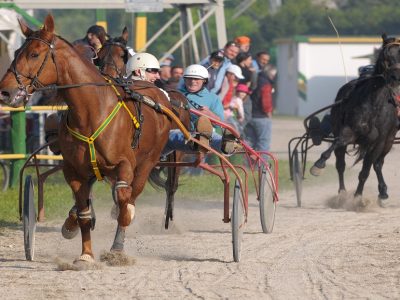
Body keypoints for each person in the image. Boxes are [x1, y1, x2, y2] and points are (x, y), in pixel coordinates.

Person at [162, 64, 239, 155]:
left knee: (213, 137)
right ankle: (201, 140)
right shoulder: (173, 94)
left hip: (205, 134)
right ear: (185, 79)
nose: (192, 81)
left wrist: (210, 115)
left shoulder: (213, 98)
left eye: (196, 79)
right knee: (170, 136)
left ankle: (225, 145)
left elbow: (219, 124)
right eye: (189, 78)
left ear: (204, 81)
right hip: (179, 132)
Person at [244, 64, 277, 153]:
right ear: (271, 74)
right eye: (274, 75)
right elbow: (266, 100)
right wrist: (268, 113)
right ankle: (262, 166)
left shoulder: (256, 79)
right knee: (263, 143)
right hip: (262, 117)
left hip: (250, 115)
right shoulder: (266, 83)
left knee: (250, 143)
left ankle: (247, 165)